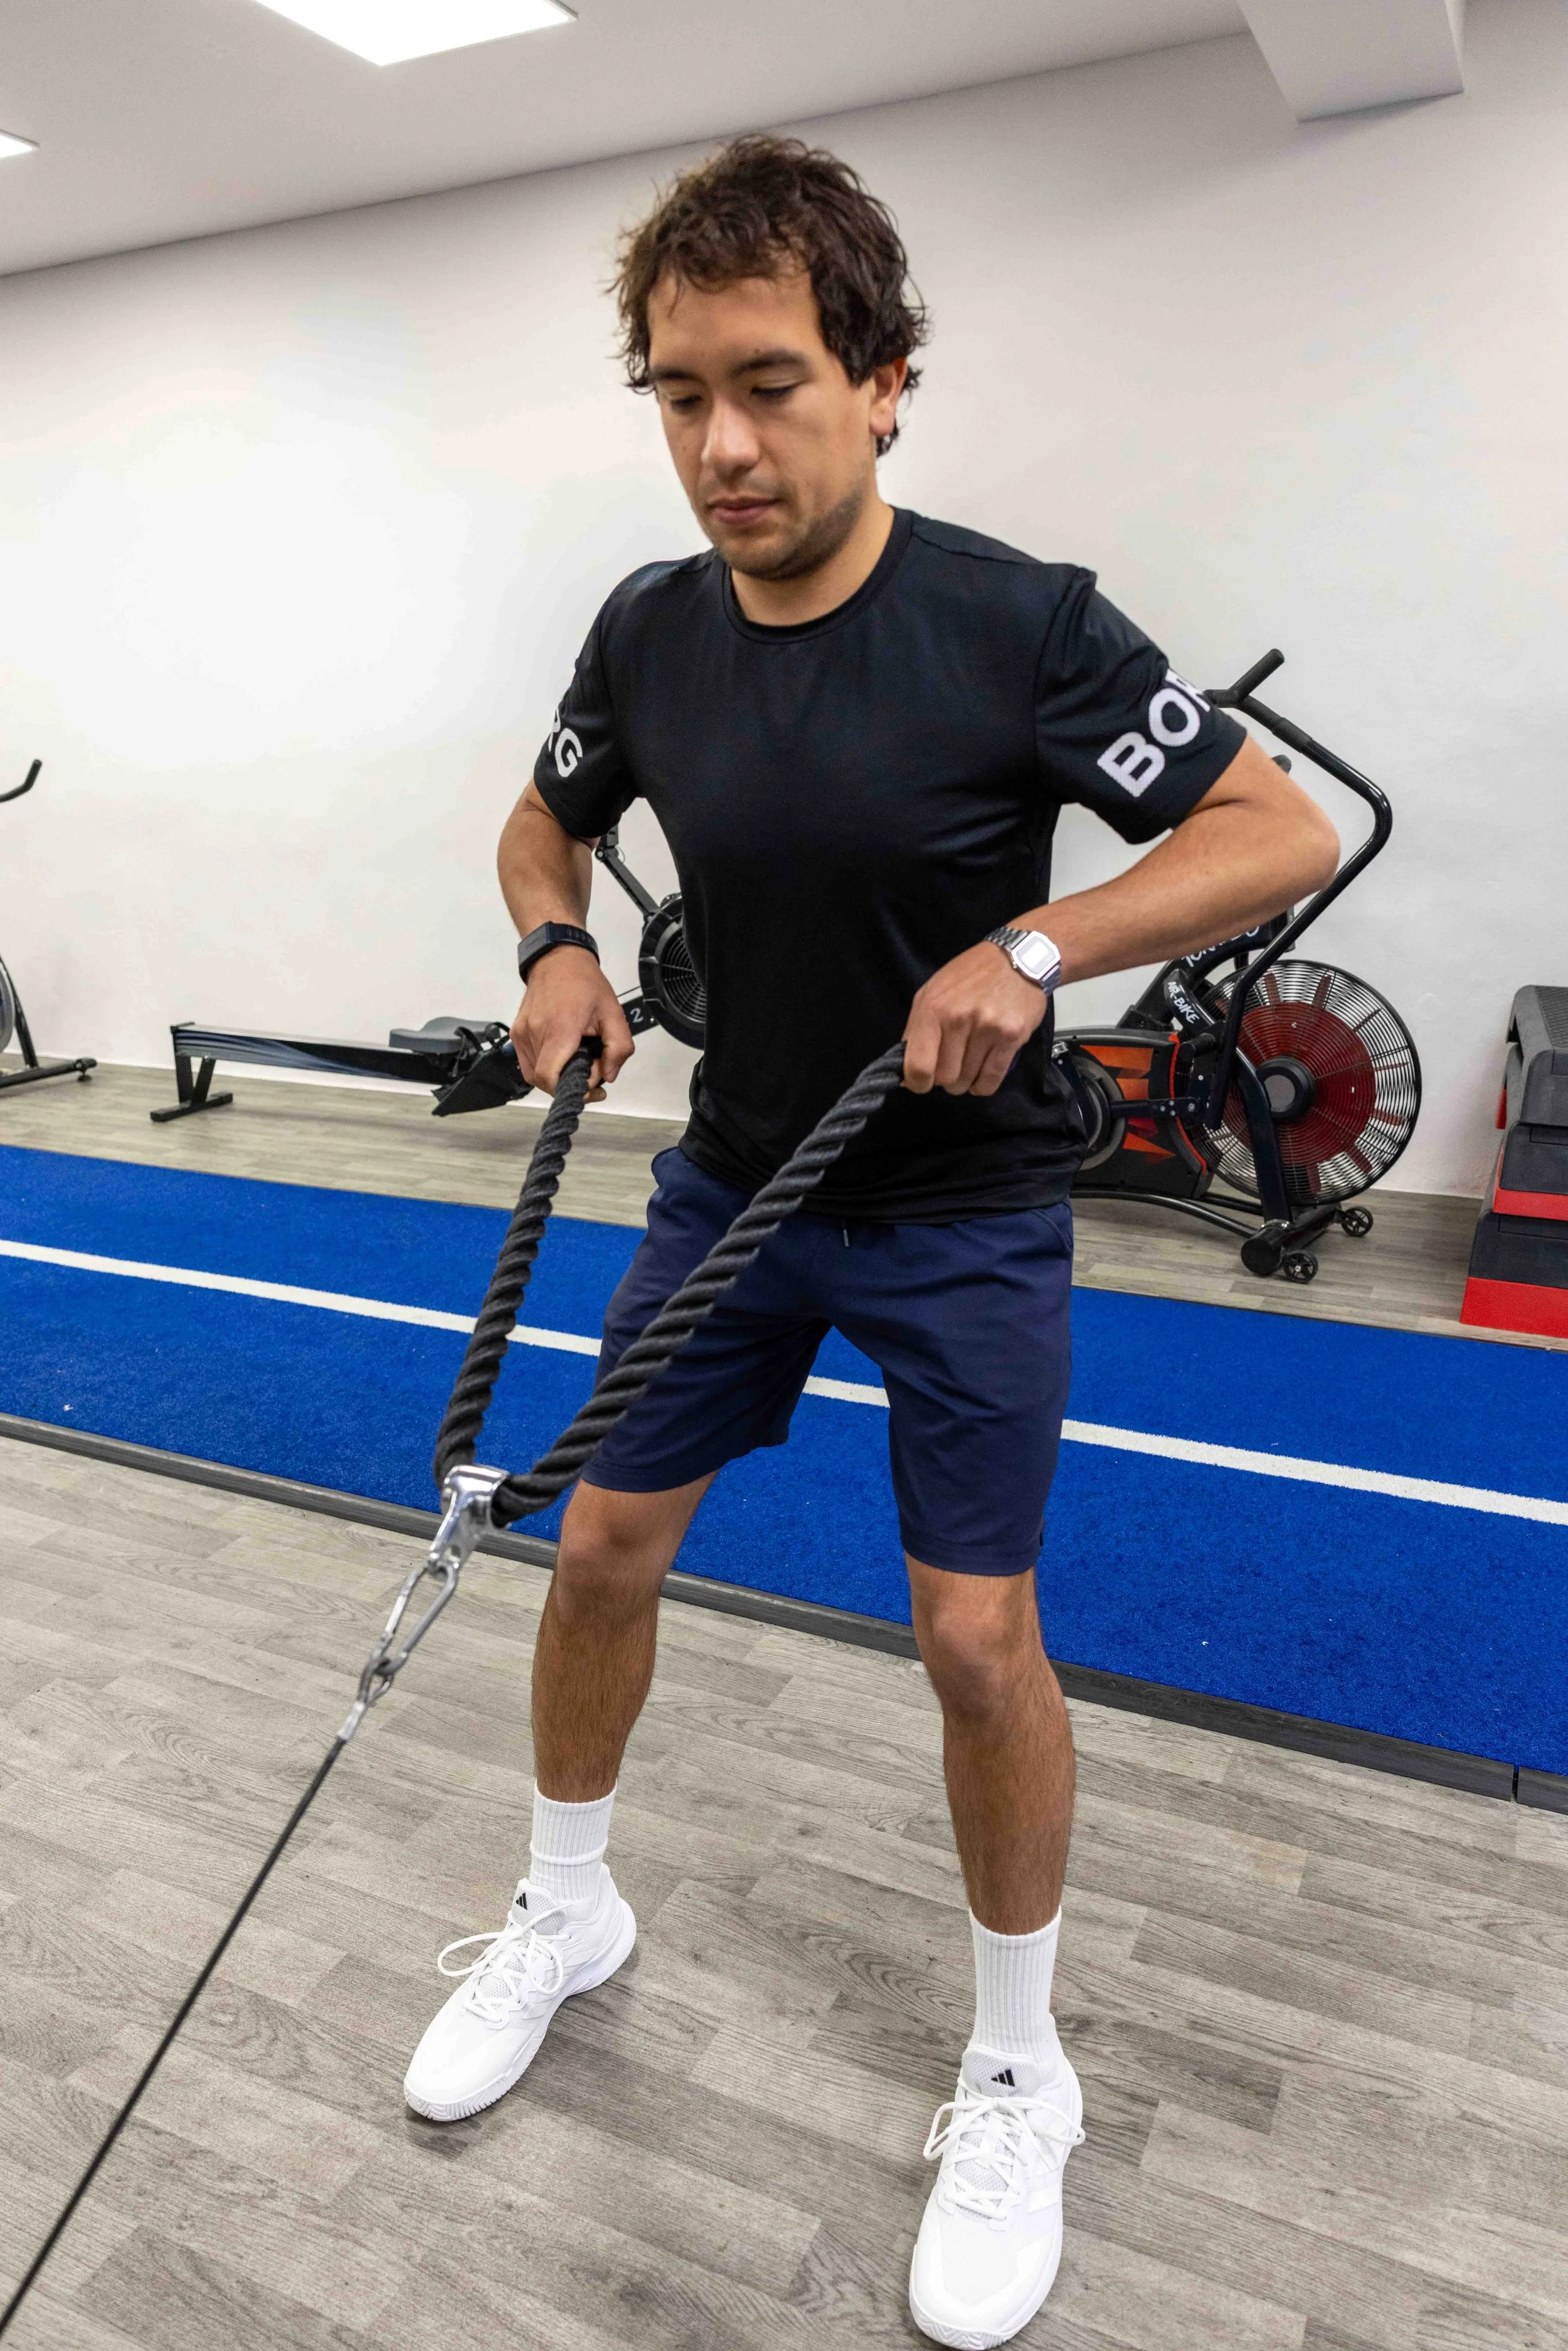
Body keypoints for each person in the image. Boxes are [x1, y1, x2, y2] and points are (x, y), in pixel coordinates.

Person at [403, 134, 1337, 2348]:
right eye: (677, 395)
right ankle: (566, 1909)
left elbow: (1271, 825)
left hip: (960, 1213)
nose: (721, 445)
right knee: (599, 1548)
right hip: (731, 1189)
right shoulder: (647, 625)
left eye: (770, 386)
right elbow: (544, 811)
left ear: (884, 383)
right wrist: (553, 941)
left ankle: (1019, 2066)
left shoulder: (1018, 622)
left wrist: (1037, 942)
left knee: (973, 1639)